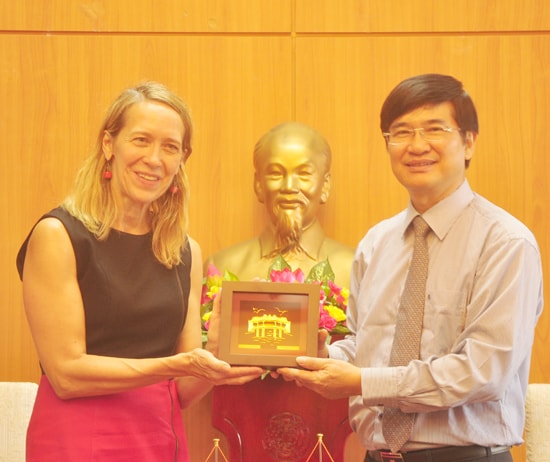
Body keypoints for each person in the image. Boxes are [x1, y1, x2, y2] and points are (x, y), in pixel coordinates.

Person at [277, 74, 543, 462]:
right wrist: (324, 358)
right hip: (376, 454)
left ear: (469, 142)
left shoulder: (506, 243)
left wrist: (362, 381)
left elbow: (482, 370)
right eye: (400, 133)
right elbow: (362, 343)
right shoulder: (376, 243)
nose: (417, 146)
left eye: (435, 129)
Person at [16, 81, 264, 462]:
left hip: (158, 435)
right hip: (75, 436)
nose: (154, 159)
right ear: (108, 145)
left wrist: (216, 358)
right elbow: (66, 376)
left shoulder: (185, 252)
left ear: (183, 159)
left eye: (170, 147)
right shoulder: (58, 235)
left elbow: (180, 392)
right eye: (141, 140)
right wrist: (177, 365)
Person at [205, 121, 354, 285]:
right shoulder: (221, 267)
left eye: (304, 174)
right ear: (259, 185)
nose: (289, 187)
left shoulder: (355, 270)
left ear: (325, 186)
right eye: (275, 173)